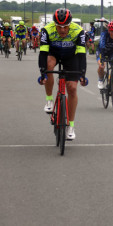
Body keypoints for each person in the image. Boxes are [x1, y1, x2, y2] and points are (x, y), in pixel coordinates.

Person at [38, 8, 87, 140]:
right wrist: (43, 73)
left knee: (72, 88)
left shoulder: (78, 31)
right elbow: (43, 53)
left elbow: (82, 54)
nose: (63, 30)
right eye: (59, 27)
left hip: (71, 56)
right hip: (53, 54)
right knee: (48, 65)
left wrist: (82, 73)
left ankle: (70, 126)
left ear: (70, 24)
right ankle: (49, 100)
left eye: (65, 27)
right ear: (55, 25)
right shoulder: (46, 30)